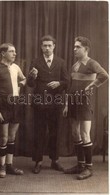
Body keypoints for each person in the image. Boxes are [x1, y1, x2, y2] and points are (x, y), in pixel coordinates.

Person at [63, 36, 108, 180]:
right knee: (75, 133)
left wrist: (92, 85)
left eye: (78, 47)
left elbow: (104, 75)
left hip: (84, 103)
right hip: (72, 102)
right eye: (74, 47)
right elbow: (70, 86)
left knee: (84, 134)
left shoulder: (92, 63)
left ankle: (89, 168)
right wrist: (65, 104)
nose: (74, 49)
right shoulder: (75, 65)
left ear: (86, 49)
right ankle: (80, 164)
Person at [27, 35, 69, 174]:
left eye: (49, 45)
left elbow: (67, 82)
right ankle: (38, 161)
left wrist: (59, 83)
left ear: (54, 46)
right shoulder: (35, 62)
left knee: (55, 133)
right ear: (41, 47)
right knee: (39, 132)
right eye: (44, 45)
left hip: (56, 103)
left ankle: (54, 161)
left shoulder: (61, 62)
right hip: (40, 103)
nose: (47, 48)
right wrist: (31, 76)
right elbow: (30, 84)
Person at [0, 43, 26, 178]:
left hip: (16, 105)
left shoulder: (16, 67)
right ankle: (1, 166)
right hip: (3, 106)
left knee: (12, 137)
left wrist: (21, 84)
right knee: (3, 138)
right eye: (11, 51)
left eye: (15, 51)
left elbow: (24, 79)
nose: (15, 54)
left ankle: (9, 166)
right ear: (3, 53)